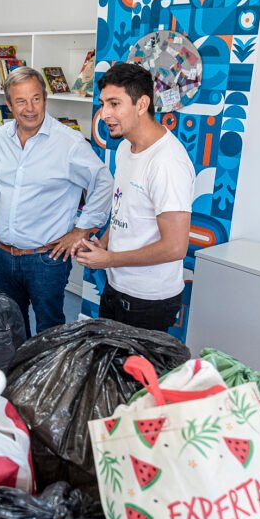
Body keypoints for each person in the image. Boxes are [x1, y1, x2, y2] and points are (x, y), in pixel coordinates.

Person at [0, 67, 112, 336]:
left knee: (49, 330)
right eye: (21, 101)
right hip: (2, 255)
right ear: (9, 104)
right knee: (7, 325)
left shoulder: (69, 143)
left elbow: (103, 182)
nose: (30, 108)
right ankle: (14, 377)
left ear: (45, 98)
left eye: (36, 98)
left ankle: (47, 379)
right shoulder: (1, 137)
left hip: (46, 260)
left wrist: (81, 230)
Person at [72, 63, 195, 332]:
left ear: (142, 104)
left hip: (148, 300)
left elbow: (176, 247)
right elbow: (123, 211)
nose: (104, 114)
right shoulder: (126, 148)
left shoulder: (167, 163)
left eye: (115, 104)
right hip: (117, 287)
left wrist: (109, 260)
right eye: (103, 104)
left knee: (135, 374)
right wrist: (101, 245)